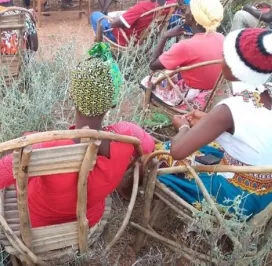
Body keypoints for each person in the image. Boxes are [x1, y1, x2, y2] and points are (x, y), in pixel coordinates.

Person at [0, 43, 155, 227]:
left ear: (72, 96)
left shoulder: (41, 146)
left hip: (39, 221)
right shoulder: (129, 135)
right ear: (113, 102)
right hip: (89, 218)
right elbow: (149, 147)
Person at [156, 28, 272, 217]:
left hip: (235, 199)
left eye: (224, 56)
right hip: (266, 196)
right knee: (207, 147)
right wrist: (210, 121)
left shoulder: (231, 108)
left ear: (235, 66)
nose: (220, 59)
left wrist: (183, 126)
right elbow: (255, 134)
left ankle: (130, 190)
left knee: (161, 153)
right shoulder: (265, 93)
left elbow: (178, 151)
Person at [144, 0, 224, 110]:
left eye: (188, 9)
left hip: (190, 98)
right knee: (174, 73)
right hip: (215, 94)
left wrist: (165, 36)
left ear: (192, 17)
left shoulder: (185, 46)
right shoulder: (221, 37)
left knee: (147, 81)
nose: (185, 11)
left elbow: (153, 65)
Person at [90, 0, 177, 47]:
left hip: (125, 38)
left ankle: (101, 48)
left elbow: (114, 24)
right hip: (147, 38)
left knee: (95, 15)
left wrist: (116, 18)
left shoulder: (144, 6)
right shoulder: (172, 2)